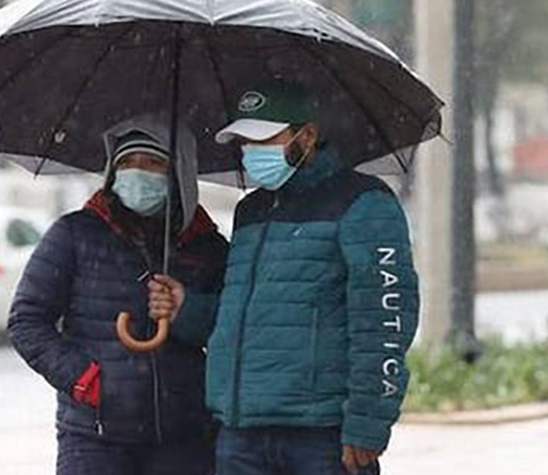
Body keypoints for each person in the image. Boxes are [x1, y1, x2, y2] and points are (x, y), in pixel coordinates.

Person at [148, 82, 419, 475]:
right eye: (244, 142)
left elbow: (383, 325)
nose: (250, 152)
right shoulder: (251, 211)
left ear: (306, 136)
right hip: (241, 435)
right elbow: (245, 318)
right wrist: (185, 309)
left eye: (263, 139)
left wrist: (368, 421)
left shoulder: (364, 203)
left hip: (321, 438)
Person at [8, 115, 228, 475]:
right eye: (126, 163)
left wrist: (186, 311)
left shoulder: (207, 247)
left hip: (185, 437)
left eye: (154, 163)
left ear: (179, 176)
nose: (138, 173)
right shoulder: (75, 235)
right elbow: (27, 321)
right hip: (95, 437)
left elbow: (235, 326)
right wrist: (83, 378)